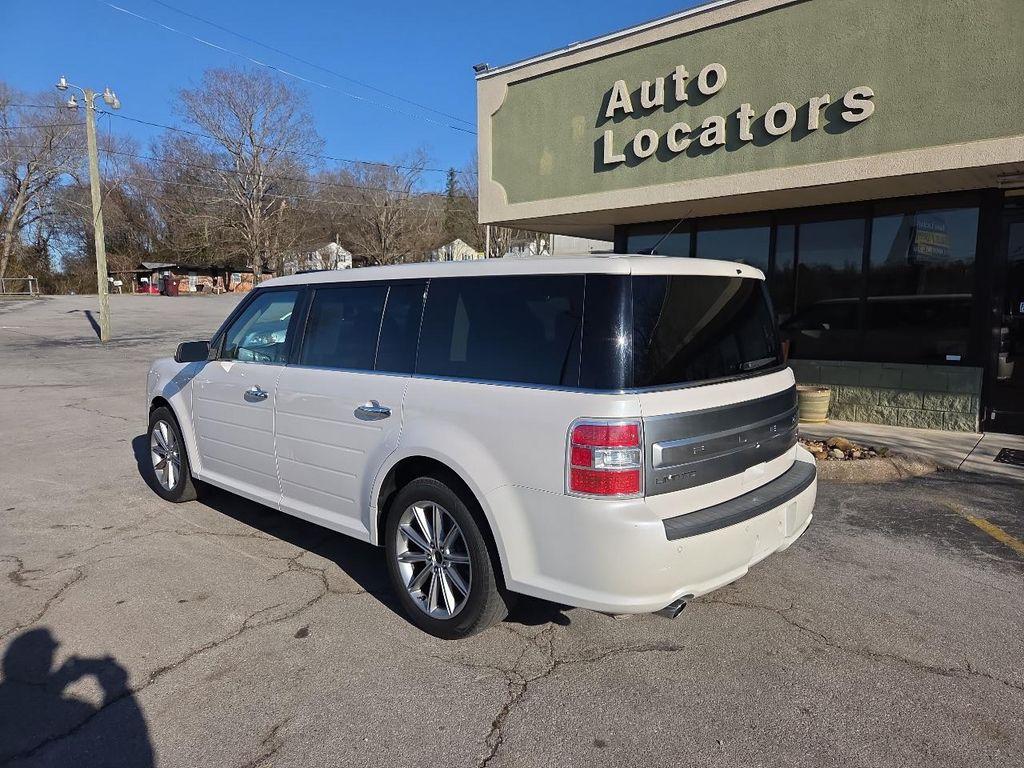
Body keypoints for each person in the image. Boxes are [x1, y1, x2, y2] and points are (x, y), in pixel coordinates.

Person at [0, 628, 154, 767]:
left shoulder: (12, 700)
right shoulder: (72, 708)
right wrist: (115, 680)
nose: (50, 656)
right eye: (48, 651)